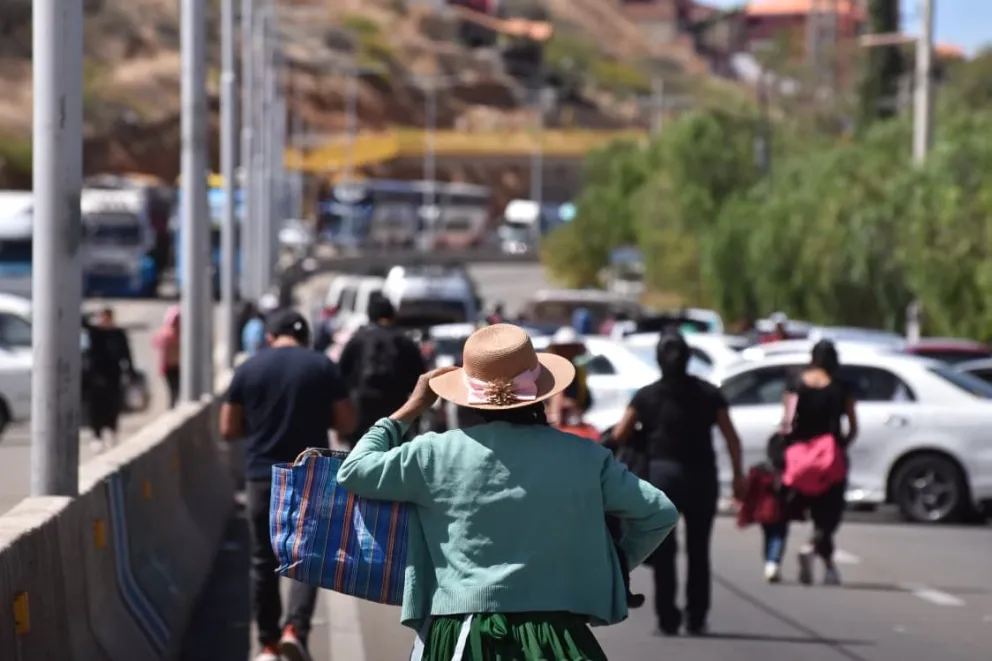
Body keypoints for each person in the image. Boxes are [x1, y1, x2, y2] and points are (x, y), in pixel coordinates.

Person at [336, 323, 679, 660]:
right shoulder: (586, 456)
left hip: (463, 635)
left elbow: (353, 470)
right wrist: (615, 565)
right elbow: (659, 512)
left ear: (469, 397)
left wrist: (413, 405)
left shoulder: (434, 453)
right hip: (556, 636)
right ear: (540, 389)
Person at [219, 310, 356, 661]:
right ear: (307, 338)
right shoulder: (321, 365)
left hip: (262, 477)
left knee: (264, 561)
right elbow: (345, 421)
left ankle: (266, 644)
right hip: (309, 477)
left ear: (268, 337)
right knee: (308, 557)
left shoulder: (249, 368)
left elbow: (228, 428)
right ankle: (295, 629)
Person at [612, 331, 746, 636]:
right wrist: (738, 476)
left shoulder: (646, 396)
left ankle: (668, 618)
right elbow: (732, 439)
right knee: (699, 550)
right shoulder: (709, 394)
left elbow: (619, 435)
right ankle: (697, 617)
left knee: (664, 551)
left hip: (662, 480)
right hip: (702, 479)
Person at [761, 339, 857, 585]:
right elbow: (852, 427)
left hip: (797, 460)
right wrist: (840, 445)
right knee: (828, 513)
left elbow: (787, 422)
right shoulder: (841, 387)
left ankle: (773, 562)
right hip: (829, 458)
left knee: (781, 510)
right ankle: (815, 548)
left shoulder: (795, 384)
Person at [338, 293, 427, 445]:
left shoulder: (358, 339)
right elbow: (421, 380)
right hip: (396, 412)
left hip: (362, 411)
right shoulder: (404, 341)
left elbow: (341, 377)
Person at [84, 307, 135, 450]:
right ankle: (97, 435)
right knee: (95, 407)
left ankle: (112, 432)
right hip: (95, 377)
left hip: (113, 377)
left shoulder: (118, 334)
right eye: (102, 317)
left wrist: (131, 371)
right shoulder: (95, 333)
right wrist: (91, 314)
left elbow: (127, 353)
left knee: (112, 406)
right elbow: (82, 322)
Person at [545, 326, 592, 426]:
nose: (567, 352)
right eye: (563, 348)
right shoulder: (548, 372)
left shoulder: (580, 373)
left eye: (570, 348)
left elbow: (586, 400)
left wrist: (575, 405)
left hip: (573, 422)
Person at [153, 305, 181, 408]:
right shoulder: (165, 333)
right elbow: (156, 344)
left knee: (179, 390)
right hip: (169, 367)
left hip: (180, 367)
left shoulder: (185, 334)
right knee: (173, 390)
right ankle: (172, 408)